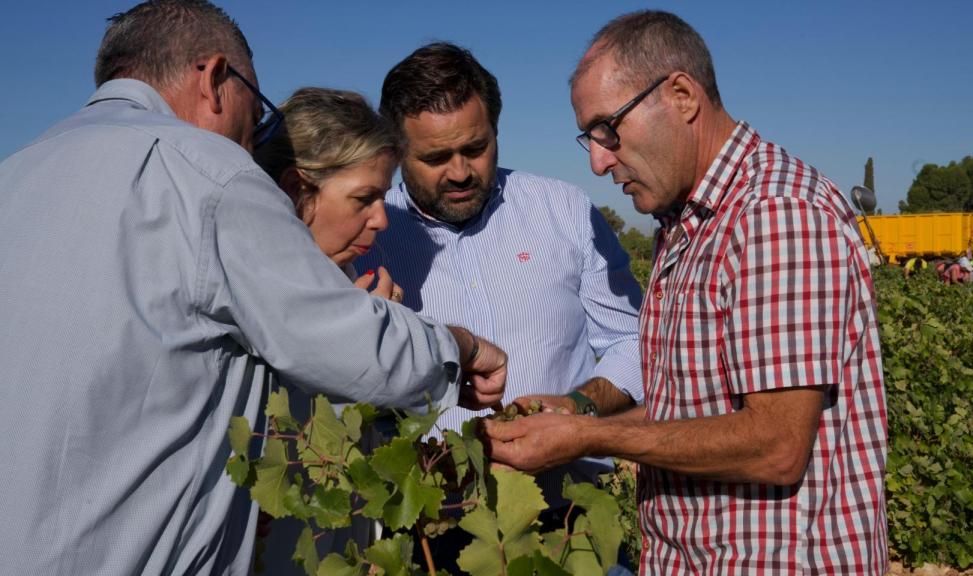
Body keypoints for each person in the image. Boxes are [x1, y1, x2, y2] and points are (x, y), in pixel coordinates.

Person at [0, 2, 506, 575]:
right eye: (256, 104)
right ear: (216, 79)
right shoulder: (207, 173)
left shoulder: (18, 172)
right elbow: (351, 348)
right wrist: (458, 346)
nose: (255, 135)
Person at [485, 10, 888, 575]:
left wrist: (587, 436)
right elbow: (692, 413)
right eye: (590, 138)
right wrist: (576, 420)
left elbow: (775, 445)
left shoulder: (774, 215)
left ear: (680, 95)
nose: (599, 160)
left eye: (608, 128)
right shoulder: (691, 224)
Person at [356, 42, 644, 566]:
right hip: (429, 534)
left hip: (571, 528)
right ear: (395, 151)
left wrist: (578, 409)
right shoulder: (368, 237)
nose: (462, 171)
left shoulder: (564, 210)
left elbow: (635, 340)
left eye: (477, 147)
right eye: (436, 157)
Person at [251, 87, 408, 573]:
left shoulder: (342, 279)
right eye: (365, 199)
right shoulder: (248, 294)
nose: (382, 219)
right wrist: (367, 345)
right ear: (298, 189)